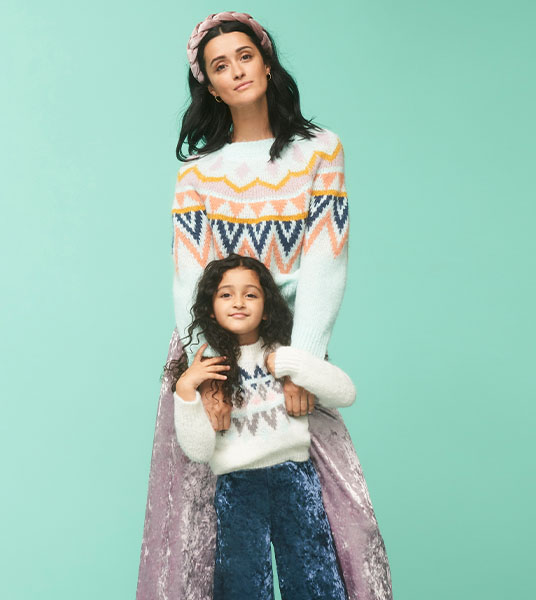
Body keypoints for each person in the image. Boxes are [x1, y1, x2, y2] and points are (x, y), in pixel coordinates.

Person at [136, 12, 391, 600]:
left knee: (329, 518)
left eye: (245, 56)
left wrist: (304, 360)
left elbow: (327, 261)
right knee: (207, 528)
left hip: (290, 344)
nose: (236, 71)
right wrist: (207, 373)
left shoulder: (319, 152)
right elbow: (188, 280)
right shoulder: (198, 175)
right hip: (212, 351)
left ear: (267, 62)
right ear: (208, 83)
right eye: (219, 65)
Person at [171, 255, 351, 600]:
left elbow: (346, 393)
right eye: (226, 295)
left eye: (251, 294)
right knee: (241, 586)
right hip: (239, 489)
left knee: (315, 581)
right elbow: (198, 451)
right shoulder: (210, 371)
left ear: (267, 307)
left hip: (295, 481)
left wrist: (290, 361)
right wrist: (185, 390)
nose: (238, 302)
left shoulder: (285, 354)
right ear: (210, 309)